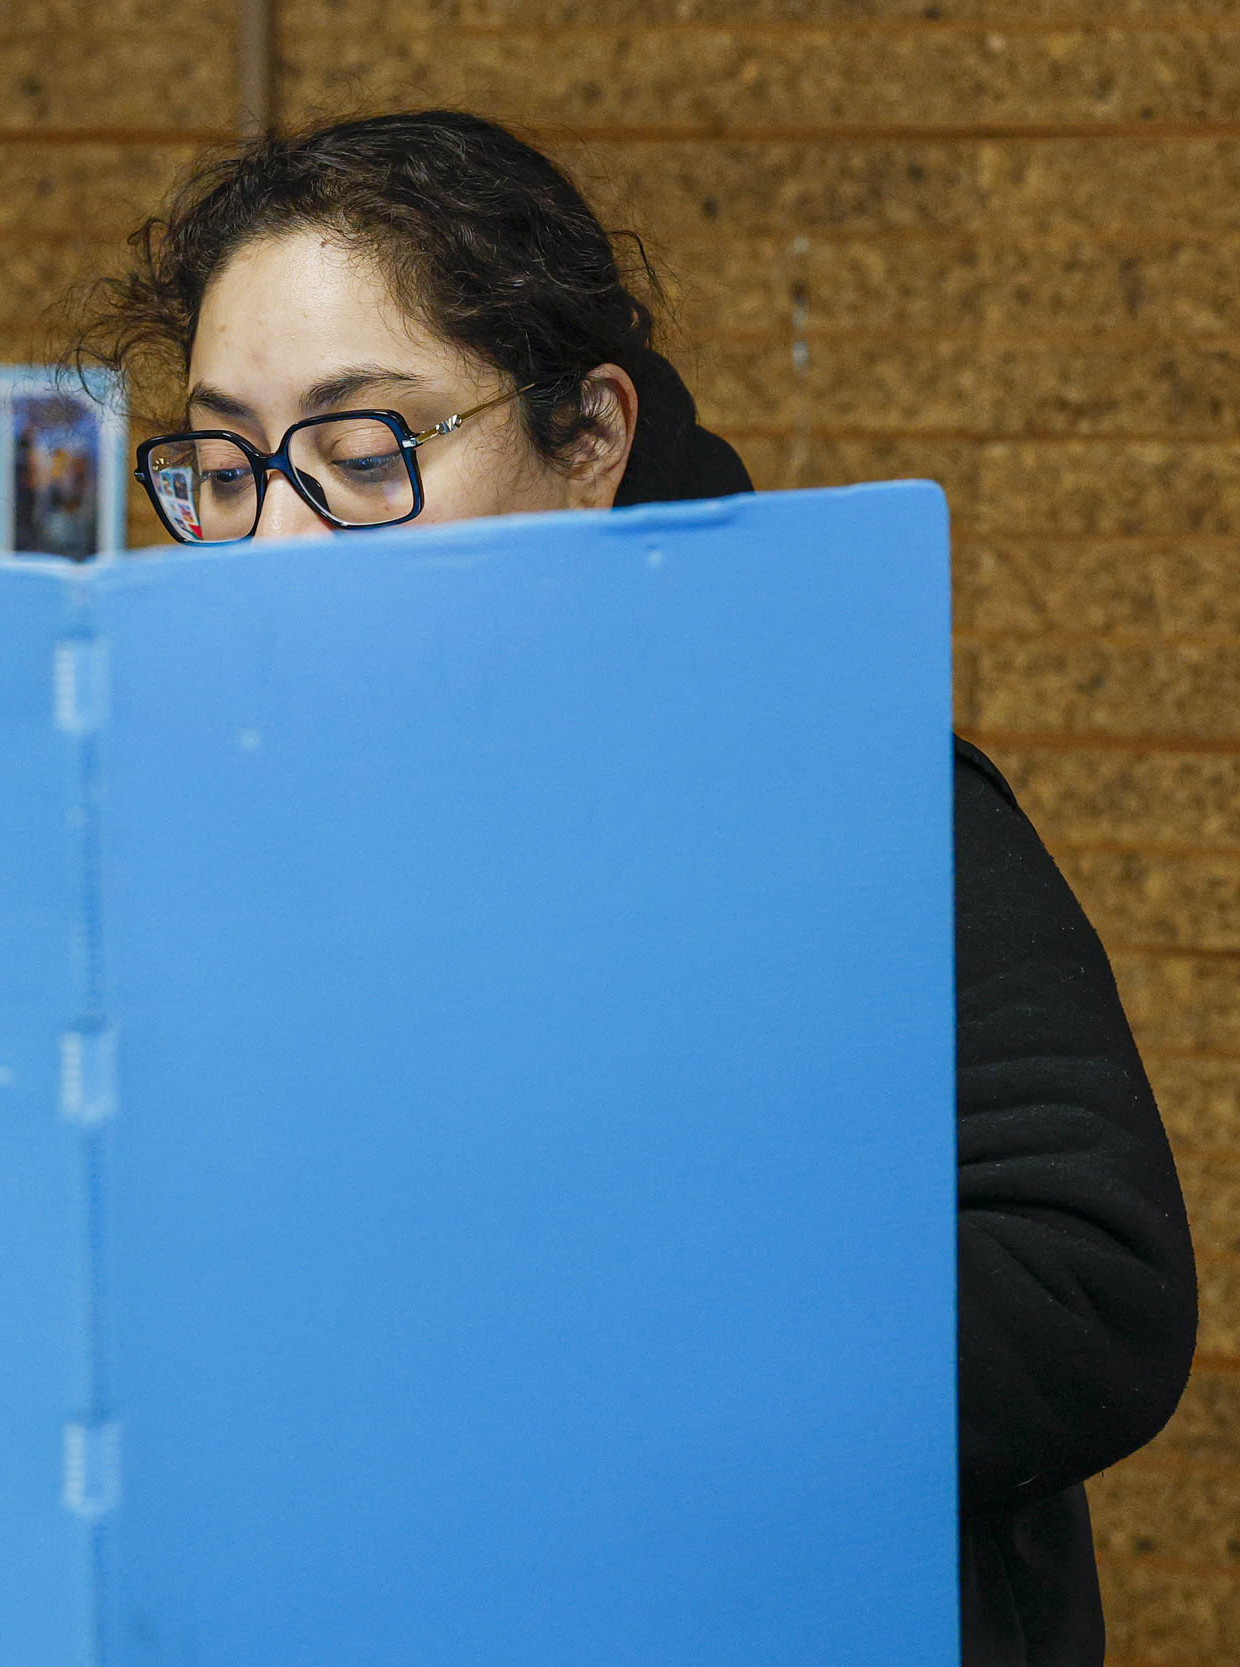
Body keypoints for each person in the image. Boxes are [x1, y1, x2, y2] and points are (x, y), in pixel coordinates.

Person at [74, 108, 1197, 1666]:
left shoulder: (849, 795)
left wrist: (566, 1328)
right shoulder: (215, 817)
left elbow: (1092, 1290)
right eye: (222, 464)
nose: (276, 537)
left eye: (358, 454)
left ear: (589, 442)